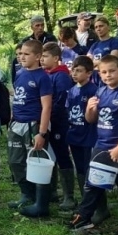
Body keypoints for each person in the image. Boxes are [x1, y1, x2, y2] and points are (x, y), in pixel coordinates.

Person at [70, 55, 118, 235]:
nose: (108, 75)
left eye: (112, 71)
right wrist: (90, 109)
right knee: (92, 183)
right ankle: (84, 216)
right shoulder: (100, 92)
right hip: (101, 144)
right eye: (103, 72)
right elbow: (91, 120)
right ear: (98, 74)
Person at [5, 40, 52, 215]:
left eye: (26, 54)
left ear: (38, 56)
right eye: (20, 54)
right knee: (15, 161)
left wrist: (42, 132)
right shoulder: (19, 73)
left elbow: (47, 107)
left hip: (34, 125)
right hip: (17, 123)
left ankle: (41, 205)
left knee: (37, 163)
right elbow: (17, 97)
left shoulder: (42, 77)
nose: (21, 57)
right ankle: (27, 194)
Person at [40, 42, 76, 211]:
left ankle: (69, 195)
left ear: (56, 58)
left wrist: (49, 118)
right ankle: (52, 190)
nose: (42, 59)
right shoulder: (47, 74)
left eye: (45, 56)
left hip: (59, 123)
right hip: (48, 122)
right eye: (41, 56)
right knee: (50, 156)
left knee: (62, 155)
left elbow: (60, 102)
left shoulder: (60, 76)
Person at [65, 56, 99, 214]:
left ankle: (96, 206)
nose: (74, 73)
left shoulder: (94, 90)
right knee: (79, 169)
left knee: (89, 170)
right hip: (74, 135)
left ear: (89, 73)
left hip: (88, 137)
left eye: (79, 70)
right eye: (73, 70)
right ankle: (84, 201)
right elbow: (68, 111)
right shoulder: (72, 90)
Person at [87, 16, 118, 86]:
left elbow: (112, 60)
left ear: (108, 27)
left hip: (109, 77)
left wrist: (95, 63)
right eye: (96, 27)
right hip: (95, 78)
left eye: (101, 26)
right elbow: (87, 61)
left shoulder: (114, 42)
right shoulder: (94, 45)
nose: (98, 29)